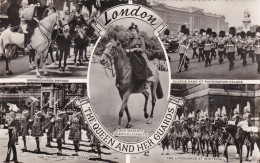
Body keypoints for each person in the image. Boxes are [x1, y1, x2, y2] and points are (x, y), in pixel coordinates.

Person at [126, 23, 154, 88]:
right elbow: (127, 47)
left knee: (143, 63)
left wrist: (135, 49)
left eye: (133, 31)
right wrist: (127, 50)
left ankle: (148, 79)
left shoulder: (140, 39)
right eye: (131, 31)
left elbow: (143, 49)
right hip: (132, 56)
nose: (132, 32)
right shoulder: (130, 40)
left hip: (140, 55)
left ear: (137, 32)